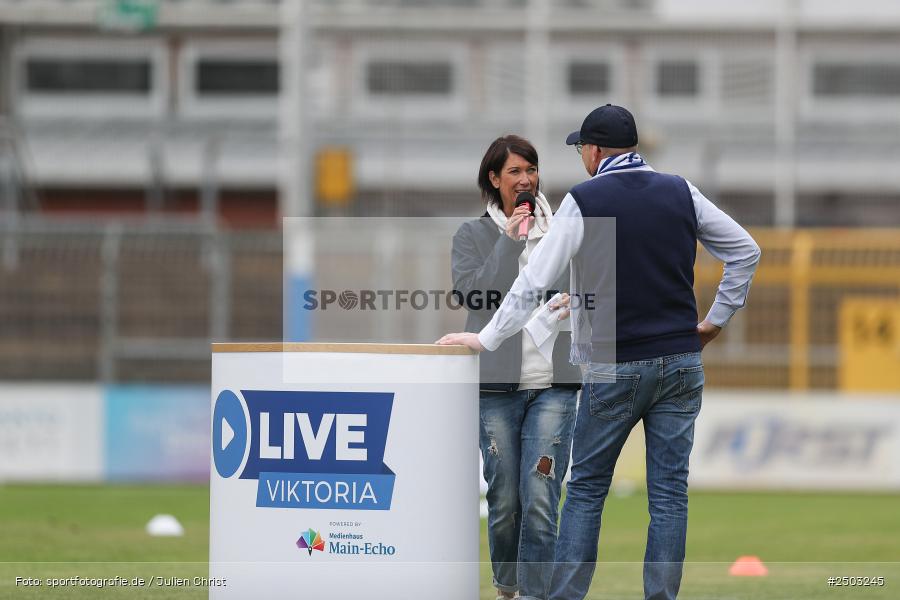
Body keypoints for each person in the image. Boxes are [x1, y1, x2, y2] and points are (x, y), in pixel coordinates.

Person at [438, 105, 761, 600]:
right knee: (670, 495)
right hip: (680, 359)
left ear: (592, 151)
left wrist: (487, 338)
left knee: (586, 490)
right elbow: (745, 250)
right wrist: (714, 322)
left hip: (615, 365)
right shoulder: (681, 190)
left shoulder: (583, 200)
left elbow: (533, 281)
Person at [450, 135, 581, 600]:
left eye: (531, 169)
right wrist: (508, 245)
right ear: (494, 179)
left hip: (556, 385)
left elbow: (591, 289)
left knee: (542, 497)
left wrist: (573, 303)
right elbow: (474, 297)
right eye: (514, 172)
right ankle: (508, 588)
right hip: (496, 388)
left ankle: (535, 595)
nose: (526, 180)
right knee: (505, 500)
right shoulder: (473, 235)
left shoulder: (565, 228)